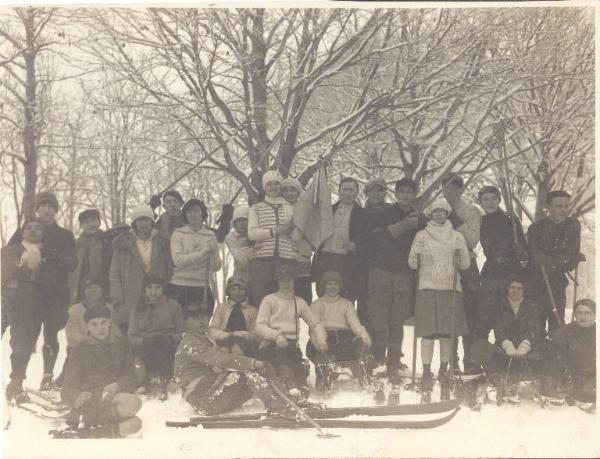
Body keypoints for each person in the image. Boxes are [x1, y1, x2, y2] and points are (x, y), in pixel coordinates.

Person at [7, 191, 78, 390]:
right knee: (24, 334)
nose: (46, 210)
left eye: (50, 206)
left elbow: (72, 262)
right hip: (29, 293)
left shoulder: (65, 235)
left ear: (55, 210)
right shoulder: (25, 231)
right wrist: (22, 264)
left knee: (51, 333)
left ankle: (47, 378)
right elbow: (7, 257)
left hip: (55, 294)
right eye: (42, 205)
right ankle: (16, 380)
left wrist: (49, 254)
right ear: (37, 209)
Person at [363, 177, 427, 378]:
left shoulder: (421, 218)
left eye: (410, 192)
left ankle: (394, 361)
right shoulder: (384, 213)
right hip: (381, 270)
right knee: (379, 316)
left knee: (397, 319)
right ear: (396, 193)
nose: (406, 196)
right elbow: (374, 239)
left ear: (414, 195)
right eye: (402, 192)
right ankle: (377, 360)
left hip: (404, 273)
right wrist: (404, 226)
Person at [408, 198, 470, 399]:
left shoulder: (457, 236)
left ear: (447, 214)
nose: (439, 215)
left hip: (450, 290)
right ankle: (426, 372)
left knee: (446, 334)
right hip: (427, 288)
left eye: (443, 212)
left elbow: (465, 265)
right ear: (430, 214)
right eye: (436, 212)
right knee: (428, 333)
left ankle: (444, 369)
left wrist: (461, 255)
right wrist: (416, 255)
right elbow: (411, 264)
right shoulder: (421, 235)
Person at [174, 308, 287, 416]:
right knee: (245, 373)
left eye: (204, 316)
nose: (201, 321)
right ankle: (277, 408)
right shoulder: (191, 343)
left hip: (211, 393)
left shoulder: (203, 338)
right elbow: (222, 360)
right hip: (202, 402)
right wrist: (253, 363)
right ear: (186, 322)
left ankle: (284, 401)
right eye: (195, 318)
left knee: (251, 377)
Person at [61, 305, 142, 438]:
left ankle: (91, 432)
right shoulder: (79, 350)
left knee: (136, 424)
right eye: (94, 324)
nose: (100, 328)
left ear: (110, 323)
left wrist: (117, 385)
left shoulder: (121, 345)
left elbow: (131, 376)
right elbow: (67, 388)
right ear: (87, 326)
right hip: (91, 401)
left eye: (103, 322)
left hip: (113, 399)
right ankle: (90, 421)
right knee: (133, 403)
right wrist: (78, 395)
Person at [3, 218, 59, 400]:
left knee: (22, 344)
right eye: (29, 228)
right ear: (22, 231)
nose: (33, 231)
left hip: (31, 304)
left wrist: (34, 277)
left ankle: (15, 382)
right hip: (6, 300)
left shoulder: (48, 254)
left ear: (43, 233)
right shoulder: (10, 250)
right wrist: (18, 272)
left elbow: (52, 281)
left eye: (38, 228)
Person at [255, 264, 328, 397]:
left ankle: (298, 391)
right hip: (271, 346)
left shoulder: (299, 302)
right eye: (282, 280)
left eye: (289, 280)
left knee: (302, 386)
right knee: (284, 370)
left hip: (291, 349)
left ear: (294, 282)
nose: (285, 284)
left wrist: (321, 339)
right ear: (277, 282)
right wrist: (276, 336)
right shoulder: (269, 300)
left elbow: (315, 323)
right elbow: (259, 326)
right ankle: (288, 387)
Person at [476, 185, 528, 343]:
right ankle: (481, 355)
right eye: (485, 199)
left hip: (510, 272)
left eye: (493, 199)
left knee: (506, 314)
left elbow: (521, 244)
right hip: (491, 272)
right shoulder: (481, 221)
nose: (489, 203)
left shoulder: (510, 219)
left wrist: (521, 255)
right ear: (481, 202)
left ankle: (506, 351)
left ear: (499, 200)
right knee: (485, 315)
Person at [306, 270, 373, 391]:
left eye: (335, 284)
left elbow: (355, 324)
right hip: (324, 338)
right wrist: (319, 342)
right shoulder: (317, 304)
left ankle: (364, 379)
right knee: (319, 353)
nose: (332, 287)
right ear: (323, 286)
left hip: (343, 339)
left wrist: (364, 336)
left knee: (359, 345)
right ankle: (323, 379)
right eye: (329, 284)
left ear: (340, 286)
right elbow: (313, 328)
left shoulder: (346, 304)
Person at [527, 190, 583, 336]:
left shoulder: (573, 225)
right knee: (536, 325)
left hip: (558, 281)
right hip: (538, 282)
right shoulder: (536, 228)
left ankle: (557, 355)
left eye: (566, 206)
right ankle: (537, 353)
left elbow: (572, 254)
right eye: (559, 206)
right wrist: (561, 259)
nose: (564, 210)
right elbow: (535, 257)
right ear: (548, 207)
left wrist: (568, 260)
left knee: (557, 324)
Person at [109, 205, 171, 335]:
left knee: (154, 331)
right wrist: (118, 299)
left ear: (152, 222)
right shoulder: (123, 243)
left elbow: (168, 269)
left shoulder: (161, 241)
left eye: (146, 219)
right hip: (130, 296)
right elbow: (114, 275)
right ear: (134, 223)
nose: (143, 223)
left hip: (155, 294)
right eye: (139, 220)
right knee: (130, 333)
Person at [442, 173, 482, 373]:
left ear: (461, 190)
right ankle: (451, 362)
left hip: (467, 265)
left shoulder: (471, 211)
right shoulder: (437, 209)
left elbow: (472, 241)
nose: (450, 191)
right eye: (446, 187)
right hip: (444, 266)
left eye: (454, 187)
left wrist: (456, 221)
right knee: (449, 314)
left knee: (469, 314)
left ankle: (470, 360)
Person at [482, 275, 541, 404]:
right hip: (504, 348)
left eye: (520, 288)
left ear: (524, 290)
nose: (516, 291)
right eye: (512, 287)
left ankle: (525, 384)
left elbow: (534, 328)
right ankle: (498, 384)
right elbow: (498, 328)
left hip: (526, 349)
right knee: (486, 352)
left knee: (540, 355)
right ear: (507, 289)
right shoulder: (500, 305)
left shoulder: (531, 306)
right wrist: (506, 344)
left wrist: (525, 344)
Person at [312, 177, 368, 302]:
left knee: (346, 296)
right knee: (324, 295)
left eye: (351, 190)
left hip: (347, 260)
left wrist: (356, 246)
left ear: (356, 192)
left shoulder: (363, 214)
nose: (348, 193)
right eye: (345, 189)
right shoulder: (328, 210)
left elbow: (367, 240)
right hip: (326, 258)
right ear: (339, 191)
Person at [247, 170, 297, 307]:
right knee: (261, 300)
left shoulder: (291, 208)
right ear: (264, 187)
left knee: (284, 301)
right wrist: (276, 231)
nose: (273, 187)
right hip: (262, 259)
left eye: (276, 184)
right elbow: (252, 234)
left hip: (286, 258)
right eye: (269, 184)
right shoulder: (256, 208)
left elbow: (298, 234)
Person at [169, 198, 222, 319]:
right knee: (178, 327)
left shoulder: (210, 235)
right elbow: (178, 261)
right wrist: (203, 253)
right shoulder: (178, 234)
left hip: (201, 287)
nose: (193, 215)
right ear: (185, 215)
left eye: (196, 211)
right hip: (178, 287)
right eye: (189, 212)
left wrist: (213, 253)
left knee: (199, 328)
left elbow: (216, 267)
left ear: (203, 214)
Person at [551, 298, 595, 404]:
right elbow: (557, 358)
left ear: (594, 315)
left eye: (587, 313)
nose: (583, 317)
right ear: (575, 314)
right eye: (579, 313)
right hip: (573, 378)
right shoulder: (564, 333)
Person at [151, 189, 234, 243]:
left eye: (175, 201)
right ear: (164, 206)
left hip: (188, 267)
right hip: (164, 268)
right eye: (168, 202)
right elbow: (143, 233)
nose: (172, 204)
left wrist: (225, 218)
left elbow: (220, 236)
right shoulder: (160, 223)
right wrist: (151, 209)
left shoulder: (190, 221)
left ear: (180, 204)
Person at [208, 276, 260, 357]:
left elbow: (257, 334)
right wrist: (222, 335)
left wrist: (243, 335)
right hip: (224, 343)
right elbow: (212, 329)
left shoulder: (252, 310)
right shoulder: (222, 308)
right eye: (233, 290)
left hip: (244, 344)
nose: (237, 293)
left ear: (246, 291)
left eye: (241, 289)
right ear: (228, 292)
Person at [70, 209, 113, 304]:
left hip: (104, 286)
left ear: (99, 221)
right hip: (82, 287)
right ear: (81, 225)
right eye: (86, 222)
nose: (91, 225)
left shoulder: (107, 241)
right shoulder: (78, 244)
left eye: (93, 220)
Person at [283, 177, 313, 304]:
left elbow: (311, 229)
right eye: (286, 190)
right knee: (286, 291)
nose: (289, 193)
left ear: (298, 192)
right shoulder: (279, 209)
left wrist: (297, 233)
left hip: (302, 253)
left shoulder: (306, 209)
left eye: (293, 190)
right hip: (284, 254)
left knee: (303, 295)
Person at [224, 206, 253, 281]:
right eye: (238, 220)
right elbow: (243, 260)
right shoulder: (230, 238)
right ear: (234, 222)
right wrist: (250, 248)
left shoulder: (256, 235)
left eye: (244, 220)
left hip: (257, 274)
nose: (242, 223)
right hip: (240, 275)